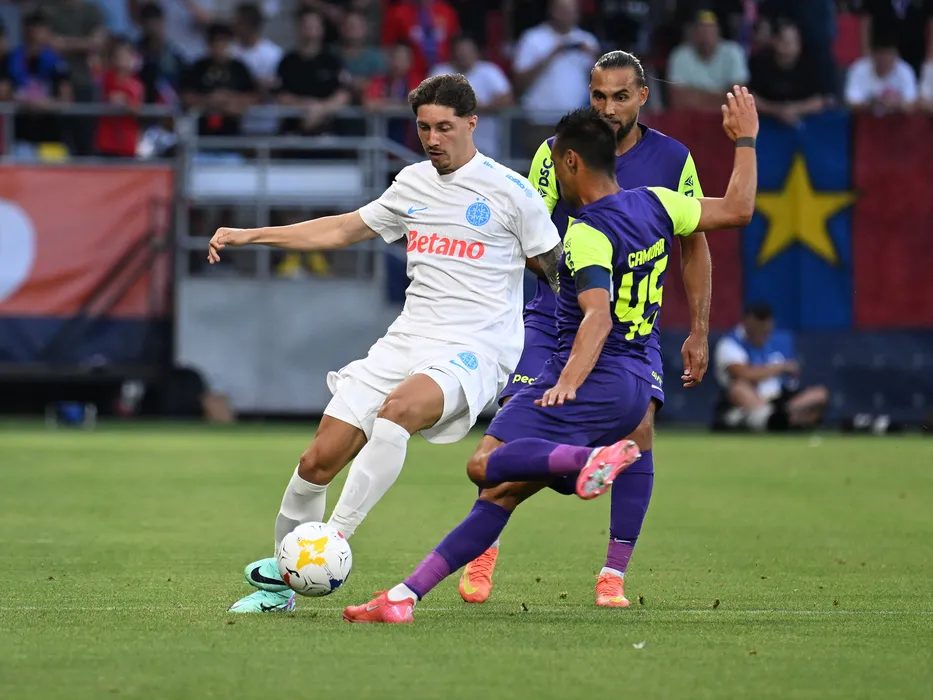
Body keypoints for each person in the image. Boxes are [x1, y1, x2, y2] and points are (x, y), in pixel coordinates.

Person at [343, 90, 760, 623]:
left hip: (594, 379)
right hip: (638, 383)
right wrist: (745, 140)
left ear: (572, 162)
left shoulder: (585, 234)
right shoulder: (659, 202)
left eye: (557, 165)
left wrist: (568, 380)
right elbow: (739, 208)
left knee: (482, 465)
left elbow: (597, 317)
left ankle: (586, 462)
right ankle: (403, 598)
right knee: (500, 493)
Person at [207, 73, 562, 613]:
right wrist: (252, 235)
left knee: (398, 412)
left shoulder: (512, 193)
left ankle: (331, 541)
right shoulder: (412, 183)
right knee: (316, 462)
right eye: (424, 128)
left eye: (445, 127)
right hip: (406, 339)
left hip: (475, 349)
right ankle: (279, 592)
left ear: (472, 124)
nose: (433, 139)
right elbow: (342, 230)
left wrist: (576, 349)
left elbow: (558, 275)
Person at [458, 50, 713, 609]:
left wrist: (698, 329)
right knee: (513, 430)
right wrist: (572, 281)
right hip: (554, 319)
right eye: (599, 96)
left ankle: (612, 575)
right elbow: (528, 232)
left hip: (630, 332)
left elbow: (694, 244)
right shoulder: (557, 152)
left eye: (620, 96)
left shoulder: (674, 159)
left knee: (639, 431)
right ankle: (482, 550)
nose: (609, 108)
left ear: (643, 96)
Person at [713, 302, 829, 432]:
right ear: (746, 323)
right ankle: (770, 418)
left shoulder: (778, 341)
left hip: (779, 399)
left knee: (819, 394)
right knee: (739, 387)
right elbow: (744, 373)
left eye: (765, 329)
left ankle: (779, 418)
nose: (762, 332)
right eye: (758, 328)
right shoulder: (730, 343)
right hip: (751, 396)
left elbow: (793, 376)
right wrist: (779, 368)